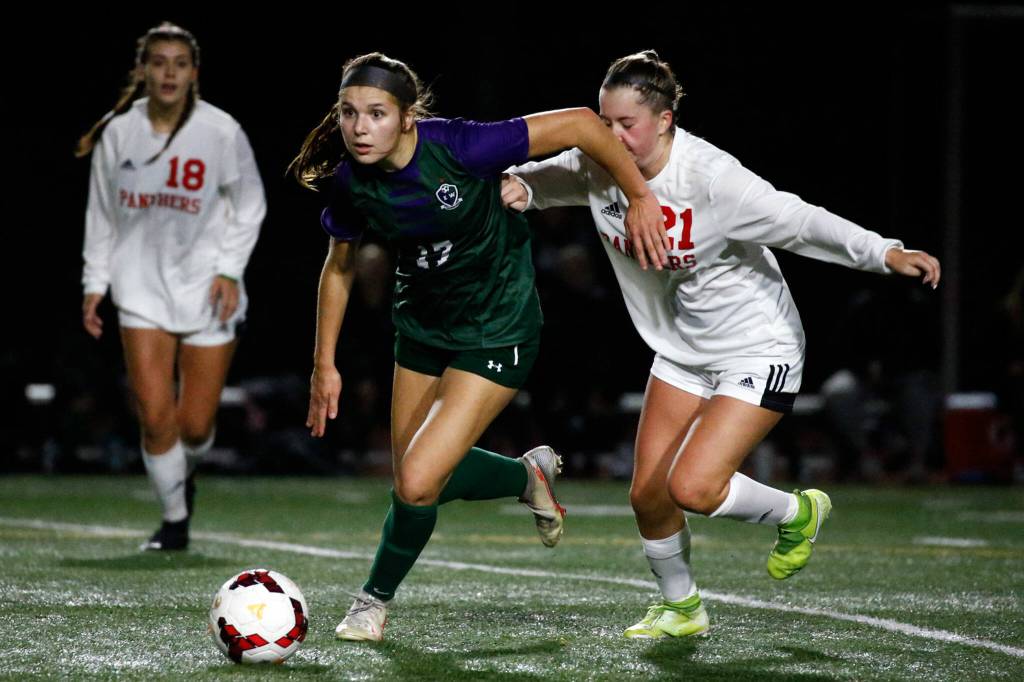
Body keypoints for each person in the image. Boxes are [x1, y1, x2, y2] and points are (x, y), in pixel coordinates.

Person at [503, 50, 941, 639]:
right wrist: (511, 191)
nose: (610, 136)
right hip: (685, 349)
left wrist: (883, 252)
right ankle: (683, 608)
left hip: (757, 348)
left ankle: (800, 511)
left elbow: (800, 220)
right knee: (648, 495)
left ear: (664, 121)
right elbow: (533, 183)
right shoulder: (596, 166)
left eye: (625, 124)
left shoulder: (710, 178)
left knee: (694, 487)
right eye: (603, 124)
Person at [290, 52, 668, 642]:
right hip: (419, 329)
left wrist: (640, 195)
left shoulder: (463, 147)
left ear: (408, 118)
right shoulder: (351, 181)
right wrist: (323, 364)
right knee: (418, 481)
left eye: (377, 113)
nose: (360, 127)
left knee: (416, 482)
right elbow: (338, 268)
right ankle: (526, 478)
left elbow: (581, 125)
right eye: (349, 113)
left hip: (497, 329)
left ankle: (372, 602)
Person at [77, 23, 266, 551]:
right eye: (158, 62)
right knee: (156, 419)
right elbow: (102, 215)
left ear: (193, 73)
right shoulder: (119, 133)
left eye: (179, 63)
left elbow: (250, 203)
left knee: (195, 426)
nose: (168, 72)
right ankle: (174, 521)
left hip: (209, 287)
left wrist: (230, 269)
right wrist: (95, 282)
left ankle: (185, 473)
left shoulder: (220, 130)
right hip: (138, 289)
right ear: (142, 70)